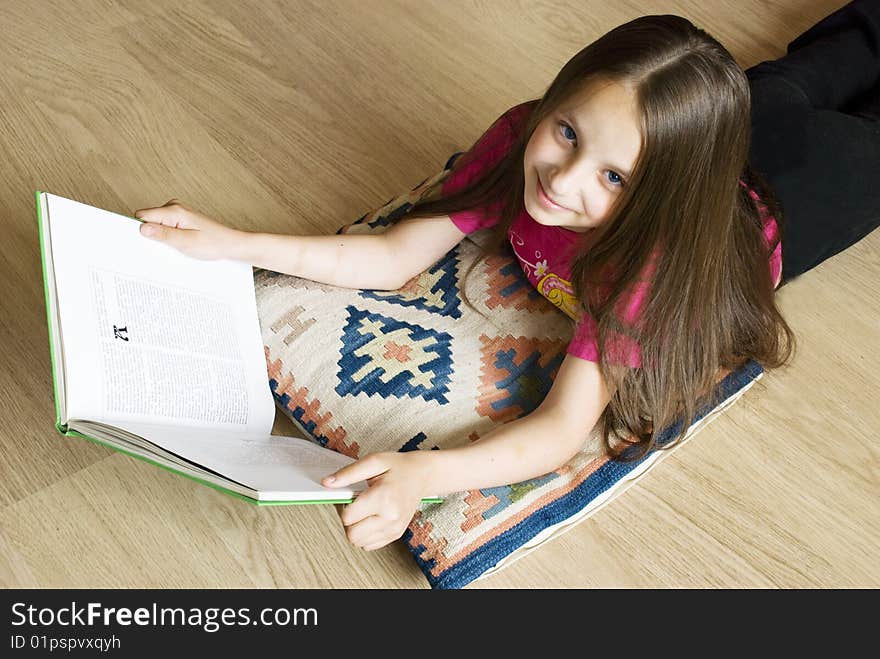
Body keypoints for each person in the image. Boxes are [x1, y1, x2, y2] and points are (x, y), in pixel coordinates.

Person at [134, 2, 880, 552]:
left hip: (812, 189)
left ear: (655, 194)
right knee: (814, 64)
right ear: (558, 97)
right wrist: (234, 242)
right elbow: (393, 255)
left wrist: (424, 475)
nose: (561, 179)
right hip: (734, 136)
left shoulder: (640, 265)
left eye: (613, 176)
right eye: (568, 132)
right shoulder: (524, 134)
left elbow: (560, 429)